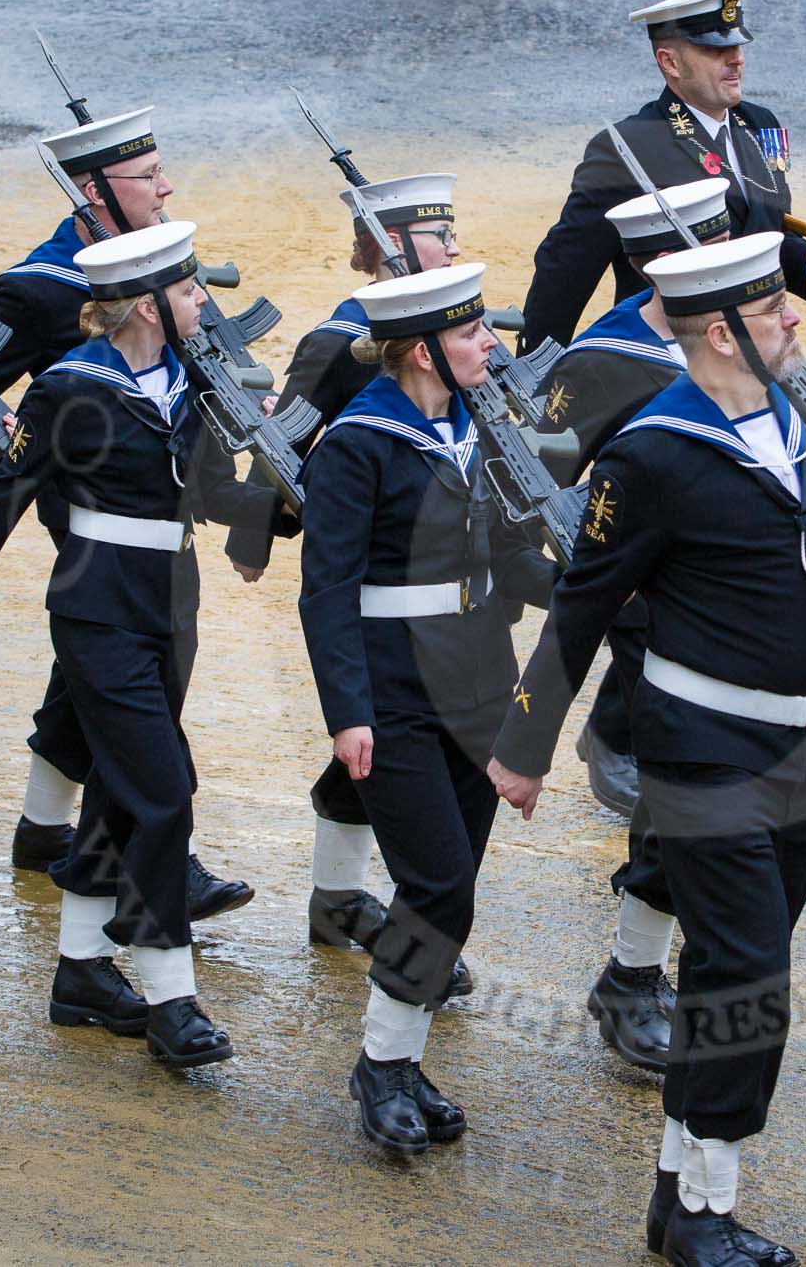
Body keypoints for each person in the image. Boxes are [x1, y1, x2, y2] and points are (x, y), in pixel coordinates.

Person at [490, 233, 806, 1264]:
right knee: (750, 980)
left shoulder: (790, 427)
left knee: (729, 980)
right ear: (719, 333)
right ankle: (705, 1216)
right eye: (773, 312)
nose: (795, 318)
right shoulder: (654, 453)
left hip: (798, 757)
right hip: (700, 754)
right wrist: (523, 741)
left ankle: (680, 1199)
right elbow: (579, 603)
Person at [0, 221, 292, 1067]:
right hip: (95, 609)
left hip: (169, 607)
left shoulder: (190, 385)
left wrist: (283, 500)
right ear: (150, 306)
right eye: (192, 290)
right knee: (162, 792)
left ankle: (82, 973)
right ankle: (171, 996)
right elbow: (7, 490)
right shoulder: (67, 388)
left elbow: (212, 494)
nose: (205, 302)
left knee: (116, 794)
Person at [299, 261, 558, 1154]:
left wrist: (597, 587)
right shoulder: (357, 443)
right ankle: (381, 1062)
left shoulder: (479, 429)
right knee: (437, 881)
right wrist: (347, 711)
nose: (490, 344)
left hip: (482, 683)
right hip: (395, 694)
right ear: (419, 353)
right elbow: (326, 589)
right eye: (469, 334)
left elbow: (508, 559)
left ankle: (402, 1061)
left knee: (451, 887)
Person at [0, 111, 253, 924]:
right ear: (93, 192)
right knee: (130, 676)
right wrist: (20, 456)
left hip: (163, 512)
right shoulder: (34, 286)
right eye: (148, 178)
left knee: (98, 676)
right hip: (94, 518)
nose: (166, 188)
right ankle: (152, 852)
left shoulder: (165, 268)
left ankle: (44, 829)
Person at [232, 172, 467, 959]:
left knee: (381, 762)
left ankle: (338, 902)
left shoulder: (453, 331)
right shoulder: (341, 338)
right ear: (396, 245)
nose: (456, 245)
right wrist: (257, 532)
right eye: (441, 234)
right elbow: (290, 432)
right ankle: (383, 919)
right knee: (373, 739)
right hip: (364, 563)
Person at [532, 176, 734, 1074]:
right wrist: (604, 579)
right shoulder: (602, 359)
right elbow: (541, 491)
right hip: (657, 612)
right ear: (657, 267)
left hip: (740, 603)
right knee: (680, 798)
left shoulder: (741, 339)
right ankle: (633, 973)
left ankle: (666, 967)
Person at [517, 0, 806, 351]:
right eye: (715, 49)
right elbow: (565, 270)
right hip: (674, 357)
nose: (736, 59)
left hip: (759, 348)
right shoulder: (628, 147)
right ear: (669, 62)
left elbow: (765, 228)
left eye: (737, 45)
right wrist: (536, 371)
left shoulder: (762, 124)